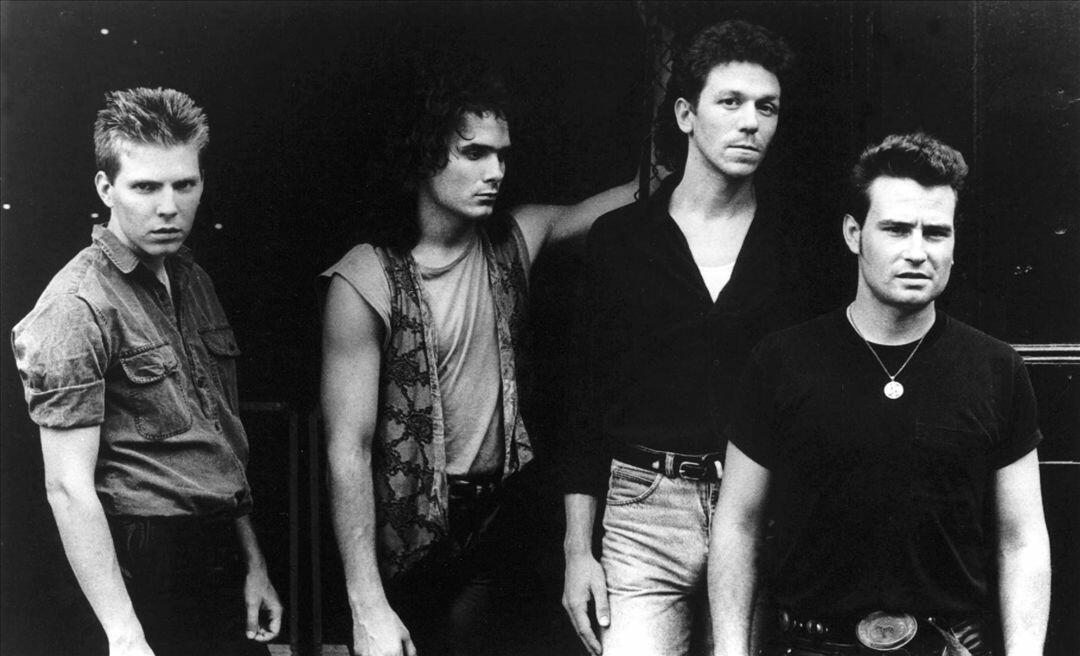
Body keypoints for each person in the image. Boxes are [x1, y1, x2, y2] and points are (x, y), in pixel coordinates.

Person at [319, 57, 640, 656]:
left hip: (504, 523)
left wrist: (677, 142)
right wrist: (366, 603)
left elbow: (629, 200)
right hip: (411, 539)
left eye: (501, 155)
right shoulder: (365, 278)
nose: (495, 171)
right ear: (424, 157)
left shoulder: (514, 239)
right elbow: (347, 450)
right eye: (474, 153)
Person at [708, 133, 1051, 656]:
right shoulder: (782, 362)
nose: (917, 252)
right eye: (896, 229)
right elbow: (739, 524)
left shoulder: (996, 369)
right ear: (854, 234)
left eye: (936, 233)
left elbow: (1021, 538)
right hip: (810, 646)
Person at [11, 87, 282, 656]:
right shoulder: (76, 307)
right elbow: (66, 488)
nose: (169, 206)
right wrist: (124, 633)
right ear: (106, 188)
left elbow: (215, 442)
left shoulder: (193, 280)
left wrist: (253, 564)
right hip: (140, 567)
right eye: (145, 187)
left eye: (185, 184)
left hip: (216, 555)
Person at [560, 19, 800, 656]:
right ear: (686, 114)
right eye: (731, 102)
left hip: (761, 508)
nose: (751, 122)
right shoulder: (620, 240)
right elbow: (583, 402)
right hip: (644, 507)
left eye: (767, 107)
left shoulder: (798, 247)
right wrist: (577, 551)